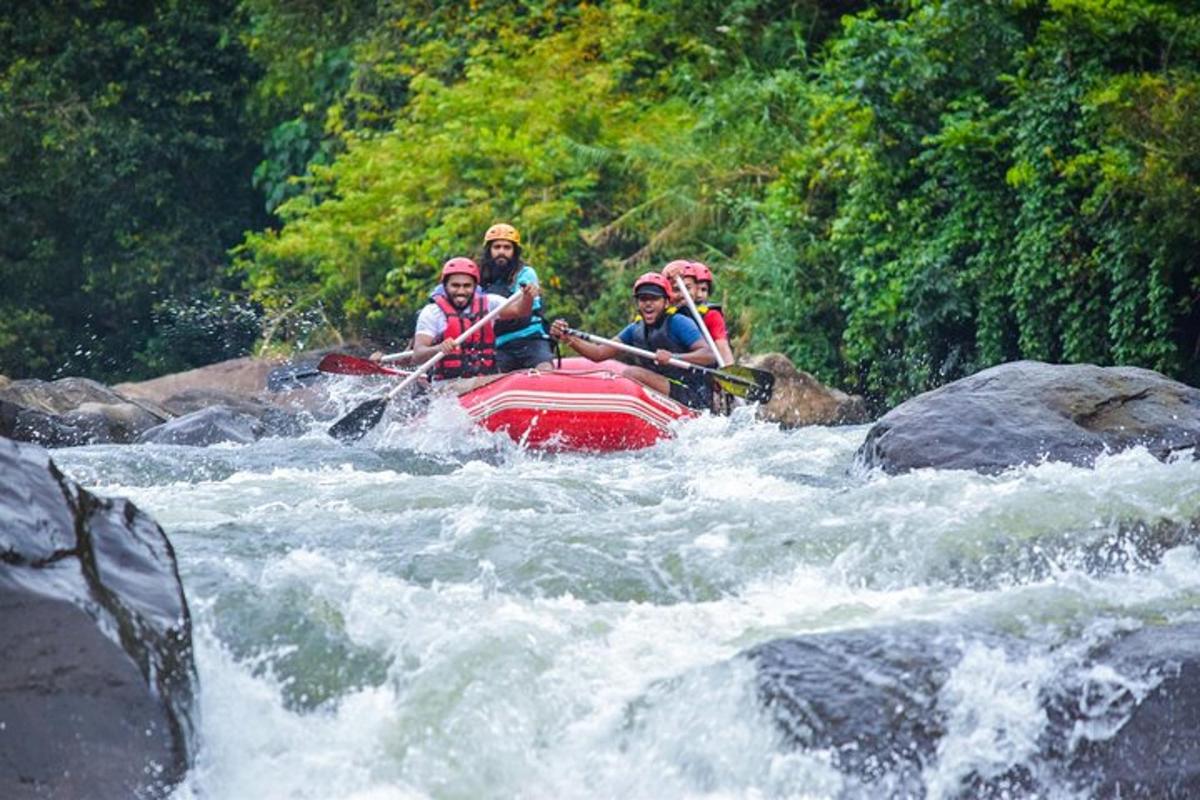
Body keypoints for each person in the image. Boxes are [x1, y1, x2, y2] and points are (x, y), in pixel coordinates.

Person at [549, 272, 715, 410]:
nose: (648, 304)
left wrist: (675, 358)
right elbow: (599, 353)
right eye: (643, 299)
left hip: (693, 394)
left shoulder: (678, 322)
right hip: (667, 392)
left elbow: (708, 354)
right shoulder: (634, 329)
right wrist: (569, 339)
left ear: (666, 302)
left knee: (631, 373)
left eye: (654, 299)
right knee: (626, 375)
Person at [411, 256, 537, 381]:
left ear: (475, 286)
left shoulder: (489, 303)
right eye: (455, 285)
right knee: (507, 380)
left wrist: (528, 297)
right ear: (444, 286)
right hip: (448, 386)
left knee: (504, 380)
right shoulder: (432, 312)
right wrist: (439, 348)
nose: (461, 291)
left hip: (485, 381)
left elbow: (520, 311)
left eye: (467, 286)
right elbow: (418, 355)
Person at [479, 222, 554, 371]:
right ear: (489, 250)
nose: (502, 252)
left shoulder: (525, 274)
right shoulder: (479, 278)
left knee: (544, 368)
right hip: (500, 345)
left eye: (507, 247)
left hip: (531, 339)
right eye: (497, 247)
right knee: (489, 378)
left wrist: (528, 296)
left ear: (514, 251)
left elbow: (521, 311)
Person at [662, 260, 735, 365]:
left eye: (703, 289)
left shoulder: (711, 315)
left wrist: (729, 372)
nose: (700, 295)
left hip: (706, 369)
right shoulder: (665, 315)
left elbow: (722, 348)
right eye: (676, 290)